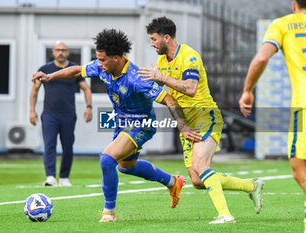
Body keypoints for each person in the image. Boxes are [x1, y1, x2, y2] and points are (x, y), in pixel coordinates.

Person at [32, 29, 202, 222]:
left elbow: (169, 99)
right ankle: (172, 182)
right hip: (122, 123)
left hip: (141, 124)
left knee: (106, 159)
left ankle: (109, 213)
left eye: (103, 60)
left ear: (117, 58)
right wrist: (49, 77)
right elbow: (77, 70)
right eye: (98, 59)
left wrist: (183, 126)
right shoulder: (101, 67)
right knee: (126, 167)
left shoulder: (137, 78)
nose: (100, 64)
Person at [139, 16, 264, 224]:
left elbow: (190, 88)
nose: (151, 44)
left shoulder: (190, 57)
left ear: (167, 38)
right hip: (187, 122)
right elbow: (169, 97)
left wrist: (162, 78)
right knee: (197, 180)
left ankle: (226, 215)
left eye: (153, 39)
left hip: (205, 115)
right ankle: (251, 186)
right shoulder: (161, 62)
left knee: (200, 164)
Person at [238, 0, 306, 231]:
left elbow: (262, 58)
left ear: (294, 3)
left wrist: (247, 91)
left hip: (304, 107)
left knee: (299, 170)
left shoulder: (283, 24)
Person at [29, 41, 92, 187]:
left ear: (68, 52)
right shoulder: (45, 69)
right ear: (53, 52)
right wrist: (32, 111)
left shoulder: (74, 69)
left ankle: (64, 177)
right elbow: (35, 90)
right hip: (49, 115)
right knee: (49, 145)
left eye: (63, 50)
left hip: (68, 115)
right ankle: (50, 177)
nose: (61, 52)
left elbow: (86, 89)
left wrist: (89, 107)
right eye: (58, 50)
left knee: (68, 147)